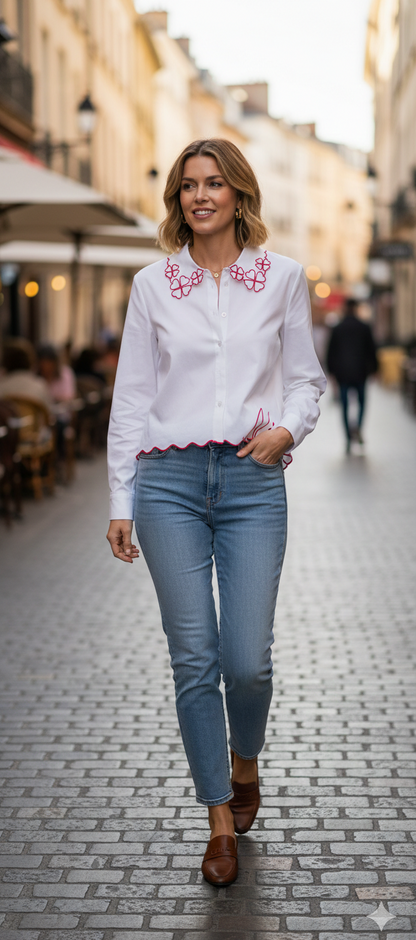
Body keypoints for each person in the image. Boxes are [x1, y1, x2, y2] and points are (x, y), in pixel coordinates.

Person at [107, 139, 326, 886]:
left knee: (247, 661)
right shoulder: (153, 285)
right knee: (194, 657)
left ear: (239, 195)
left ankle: (245, 760)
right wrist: (120, 498)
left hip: (251, 481)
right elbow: (132, 397)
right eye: (189, 185)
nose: (200, 195)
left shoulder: (283, 278)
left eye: (215, 183)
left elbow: (305, 380)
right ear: (178, 198)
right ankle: (219, 819)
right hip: (166, 483)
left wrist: (287, 431)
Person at [327, 299, 378, 452]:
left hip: (342, 373)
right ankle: (358, 428)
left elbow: (331, 351)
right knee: (362, 403)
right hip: (361, 372)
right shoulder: (364, 327)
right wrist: (375, 369)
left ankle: (348, 437)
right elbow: (371, 350)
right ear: (355, 309)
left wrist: (331, 371)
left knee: (344, 406)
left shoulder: (337, 328)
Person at [0, 339, 51, 411]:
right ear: (30, 362)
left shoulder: (2, 386)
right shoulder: (39, 385)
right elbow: (48, 412)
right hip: (34, 419)